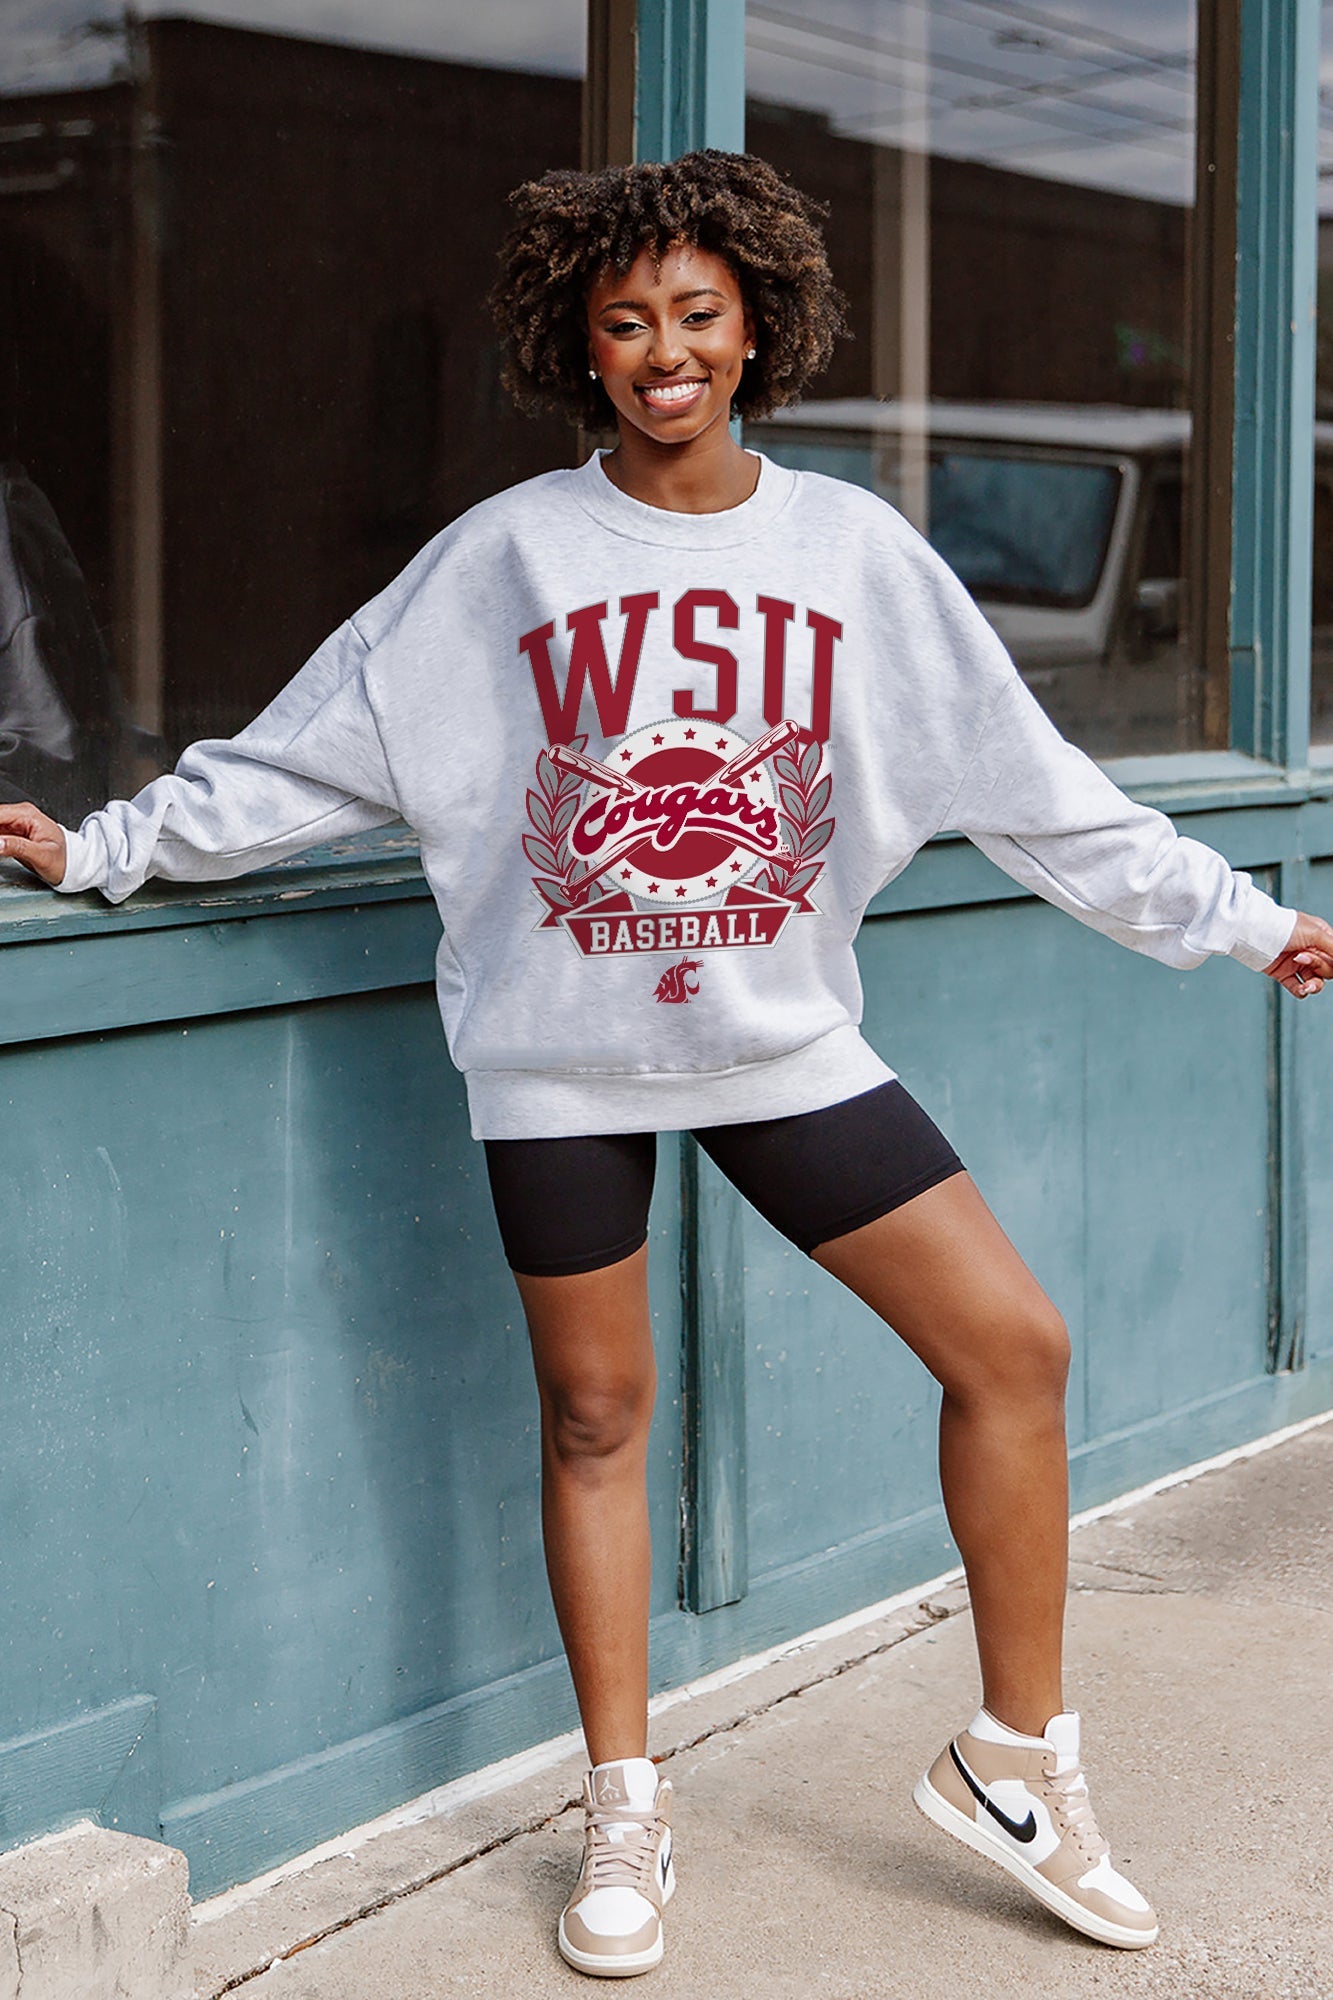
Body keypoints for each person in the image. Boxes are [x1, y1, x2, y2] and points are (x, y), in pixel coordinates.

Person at [2, 150, 1331, 1979]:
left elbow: (1035, 788)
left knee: (1012, 1349)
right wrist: (110, 846)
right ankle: (622, 1805)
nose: (664, 351)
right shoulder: (506, 558)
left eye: (697, 313)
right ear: (579, 345)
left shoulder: (852, 552)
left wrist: (1245, 922)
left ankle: (1017, 1762)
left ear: (758, 323)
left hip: (779, 1045)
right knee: (596, 1416)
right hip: (560, 1056)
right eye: (624, 322)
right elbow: (318, 751)